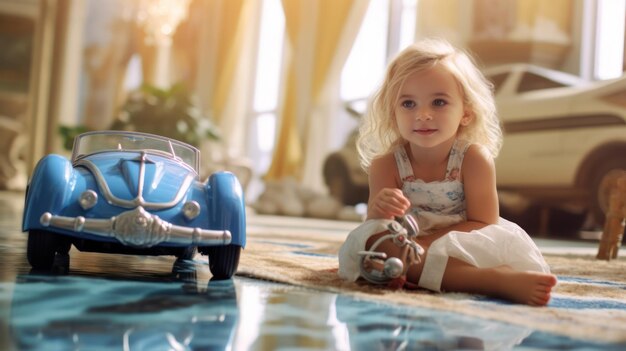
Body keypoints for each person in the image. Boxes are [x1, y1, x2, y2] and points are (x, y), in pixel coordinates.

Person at [338, 38, 557, 306]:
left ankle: (495, 279)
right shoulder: (385, 164)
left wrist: (428, 242)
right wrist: (379, 210)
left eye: (439, 102)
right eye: (408, 104)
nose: (423, 115)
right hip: (409, 247)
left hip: (463, 243)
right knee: (376, 242)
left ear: (466, 113)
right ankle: (431, 273)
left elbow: (484, 222)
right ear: (392, 112)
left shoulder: (474, 159)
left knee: (420, 255)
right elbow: (377, 225)